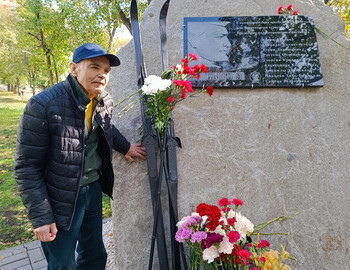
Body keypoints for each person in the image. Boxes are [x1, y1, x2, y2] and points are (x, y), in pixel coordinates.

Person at [14, 43, 146, 269]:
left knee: (94, 255)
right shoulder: (43, 105)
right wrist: (41, 217)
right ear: (74, 69)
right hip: (60, 197)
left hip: (93, 190)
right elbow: (27, 167)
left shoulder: (103, 99)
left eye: (106, 71)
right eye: (95, 67)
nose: (102, 75)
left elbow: (105, 126)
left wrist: (125, 147)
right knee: (63, 263)